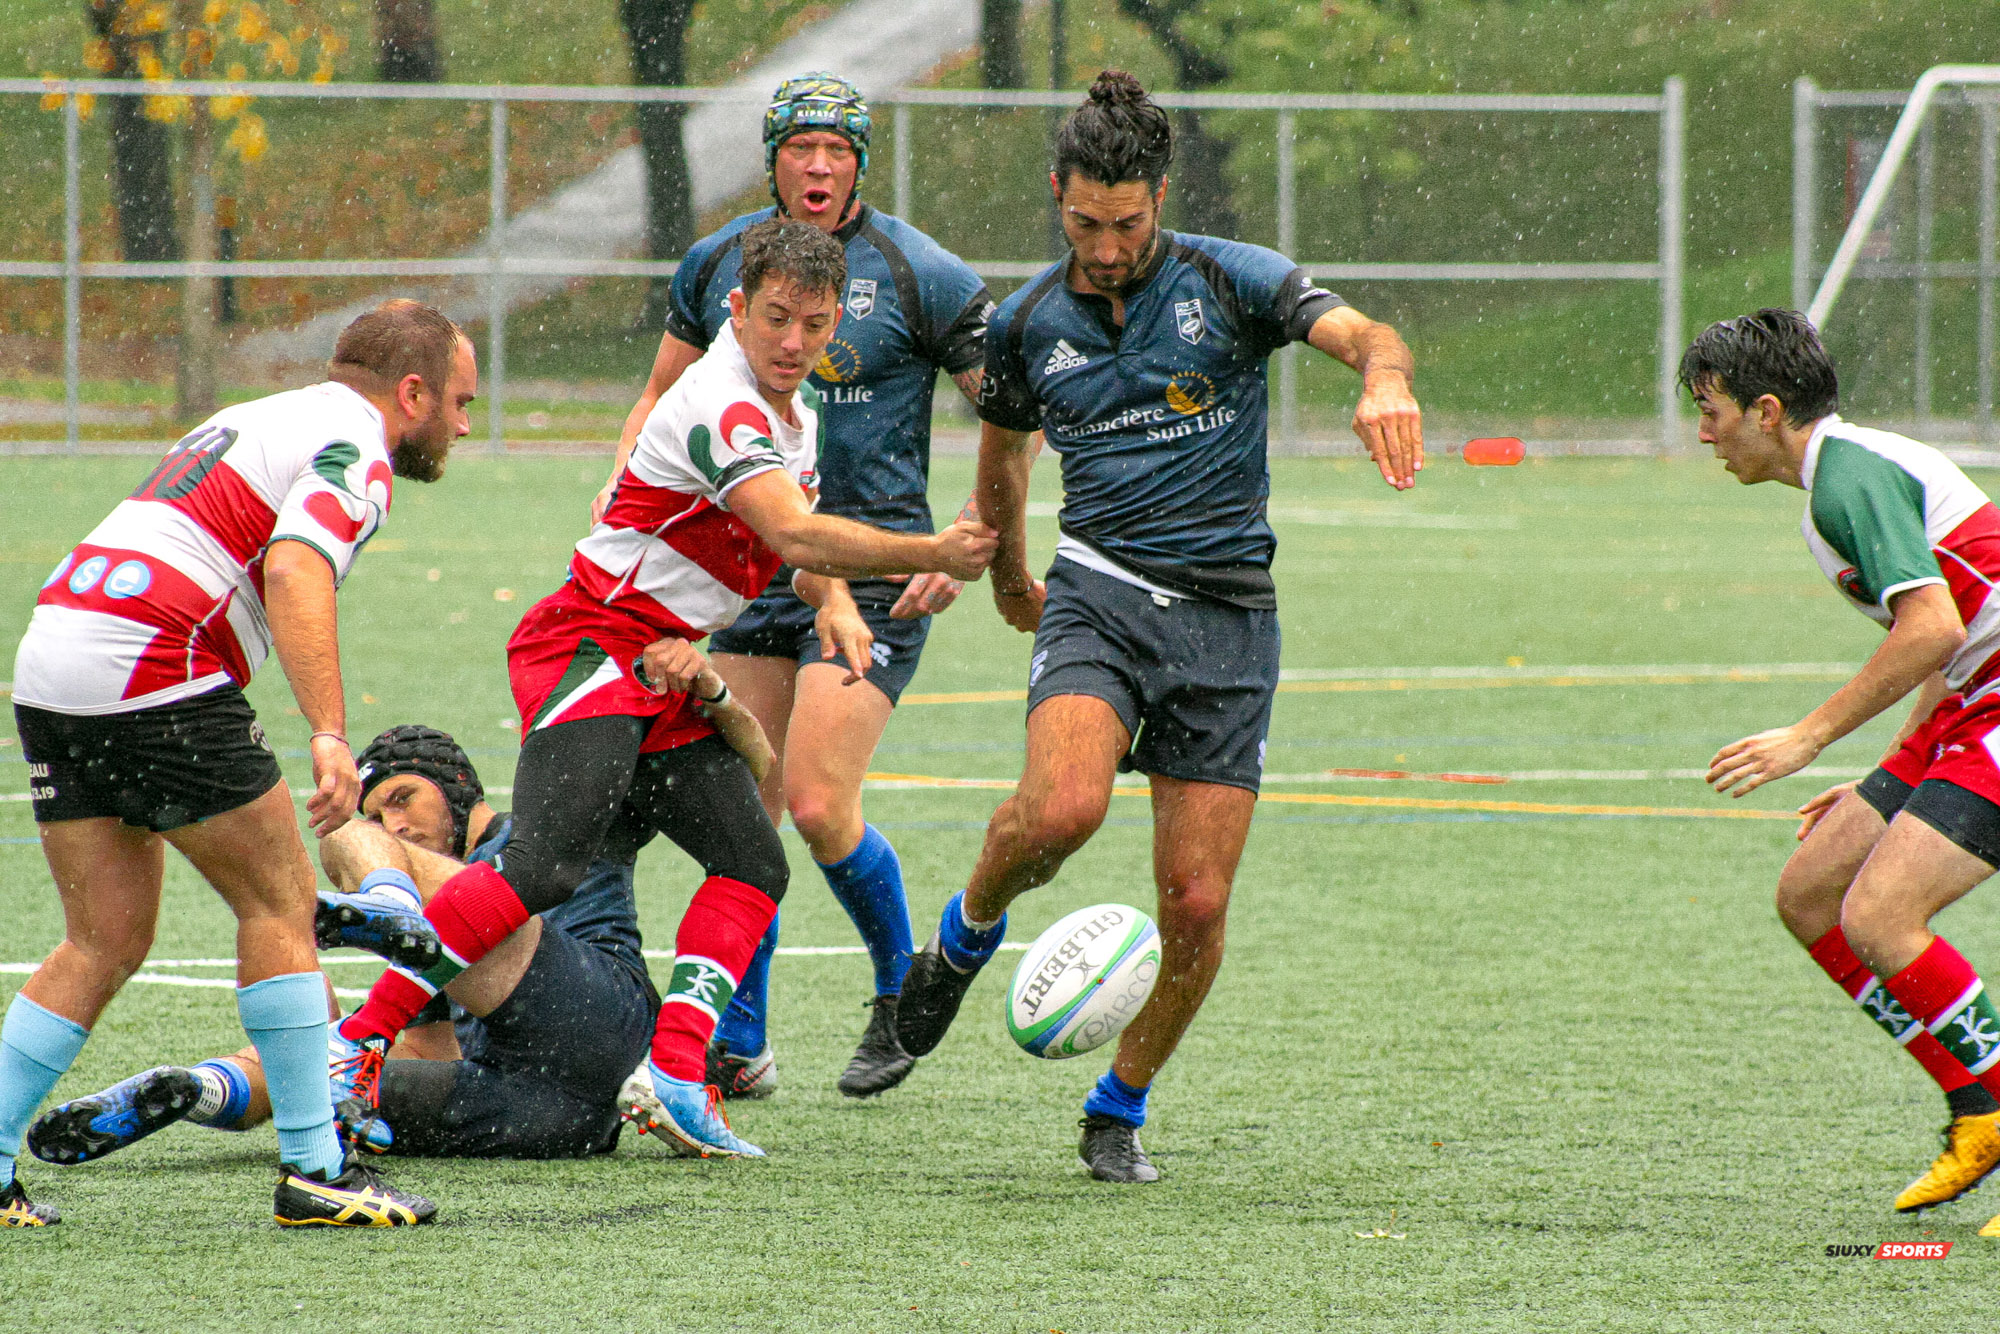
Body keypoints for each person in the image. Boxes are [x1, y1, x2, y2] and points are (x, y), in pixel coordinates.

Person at [326, 218, 996, 1161]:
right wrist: (929, 552)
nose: (794, 343)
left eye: (812, 323)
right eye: (775, 319)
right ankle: (356, 1048)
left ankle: (676, 1073)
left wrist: (835, 600)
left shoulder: (787, 414)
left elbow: (787, 548)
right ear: (736, 308)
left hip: (660, 666)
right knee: (546, 867)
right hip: (593, 643)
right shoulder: (720, 402)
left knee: (753, 863)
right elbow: (795, 532)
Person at [891, 70, 1425, 1184]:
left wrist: (1381, 380)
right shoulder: (1030, 320)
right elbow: (1001, 451)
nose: (1105, 244)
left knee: (1194, 899)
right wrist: (1004, 573)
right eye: (1083, 222)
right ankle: (963, 932)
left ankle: (1117, 1104)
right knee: (1062, 811)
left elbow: (1366, 332)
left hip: (1228, 621)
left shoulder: (1229, 281)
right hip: (1100, 593)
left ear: (1159, 197)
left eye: (1125, 222)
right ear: (1057, 194)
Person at [1, 299, 472, 1229]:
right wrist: (330, 731)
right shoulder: (358, 443)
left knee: (103, 938)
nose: (461, 425)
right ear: (408, 392)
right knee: (279, 905)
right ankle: (315, 1171)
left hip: (53, 654)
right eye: (456, 401)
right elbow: (298, 568)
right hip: (151, 659)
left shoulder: (259, 414)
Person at [605, 72, 997, 1101]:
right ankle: (742, 1041)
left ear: (859, 161)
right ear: (771, 157)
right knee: (745, 812)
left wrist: (966, 543)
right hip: (745, 578)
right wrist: (624, 505)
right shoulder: (716, 263)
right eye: (797, 149)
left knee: (820, 802)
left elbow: (1009, 411)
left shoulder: (923, 271)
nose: (816, 167)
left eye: (835, 151)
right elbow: (659, 395)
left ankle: (898, 994)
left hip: (876, 578)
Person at [26, 722, 741, 1163]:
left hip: (604, 1024)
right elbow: (430, 1047)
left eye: (405, 798)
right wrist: (328, 1037)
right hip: (566, 1116)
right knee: (314, 1082)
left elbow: (700, 785)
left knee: (347, 834)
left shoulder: (540, 836)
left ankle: (391, 910)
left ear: (459, 788)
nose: (396, 823)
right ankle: (198, 1089)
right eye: (384, 809)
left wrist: (710, 693)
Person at [1692, 309, 2000, 1236]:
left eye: (1711, 411)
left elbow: (1936, 629)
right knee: (1813, 891)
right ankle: (1978, 1108)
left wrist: (1808, 738)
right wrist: (1897, 768)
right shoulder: (1836, 478)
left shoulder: (1847, 480)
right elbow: (1952, 632)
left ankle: (1992, 1101)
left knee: (1880, 913)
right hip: (1966, 701)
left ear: (1768, 409)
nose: (1703, 432)